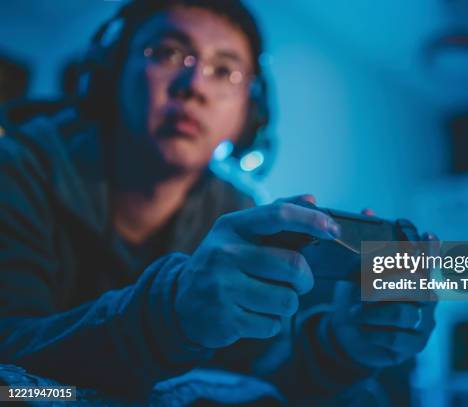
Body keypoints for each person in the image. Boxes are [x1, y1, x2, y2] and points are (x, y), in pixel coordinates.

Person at [0, 0, 436, 404]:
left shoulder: (236, 211)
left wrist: (341, 348)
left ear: (249, 113)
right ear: (112, 70)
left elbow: (262, 371)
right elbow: (10, 372)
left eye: (225, 71)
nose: (194, 86)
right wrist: (167, 318)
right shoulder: (17, 169)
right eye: (168, 52)